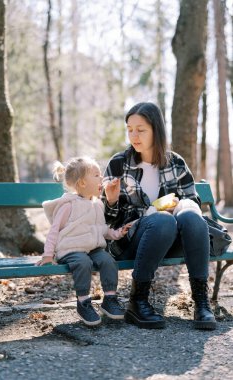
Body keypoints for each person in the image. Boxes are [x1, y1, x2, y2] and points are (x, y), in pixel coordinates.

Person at [102, 102, 216, 330]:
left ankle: (201, 303)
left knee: (192, 217)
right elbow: (107, 220)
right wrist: (111, 200)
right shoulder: (119, 163)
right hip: (130, 239)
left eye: (141, 129)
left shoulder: (175, 163)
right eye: (130, 129)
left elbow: (191, 202)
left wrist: (176, 206)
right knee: (162, 220)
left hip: (172, 238)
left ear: (156, 129)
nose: (134, 135)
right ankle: (138, 301)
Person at [37, 156, 130, 326]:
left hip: (92, 248)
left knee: (108, 260)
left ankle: (110, 298)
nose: (101, 178)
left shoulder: (97, 204)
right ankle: (83, 301)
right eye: (96, 175)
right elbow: (54, 230)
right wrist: (48, 254)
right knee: (83, 262)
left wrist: (117, 233)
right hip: (71, 249)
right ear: (82, 183)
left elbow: (101, 228)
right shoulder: (68, 205)